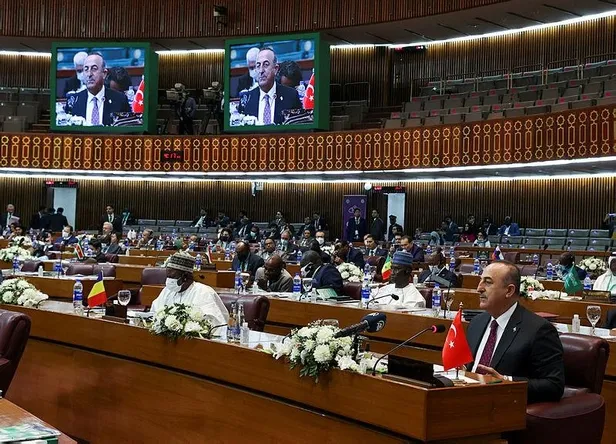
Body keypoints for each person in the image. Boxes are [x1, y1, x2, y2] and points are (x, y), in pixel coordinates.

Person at [466, 261, 565, 404]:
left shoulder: (538, 330)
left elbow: (554, 386)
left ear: (509, 291)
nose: (479, 288)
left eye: (488, 282)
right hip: (466, 399)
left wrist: (506, 381)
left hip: (503, 405)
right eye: (480, 281)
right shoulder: (477, 323)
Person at [150, 252, 229, 326]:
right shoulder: (168, 290)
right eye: (168, 276)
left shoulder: (203, 292)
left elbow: (213, 323)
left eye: (173, 277)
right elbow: (154, 313)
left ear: (186, 276)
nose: (169, 281)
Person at [65, 53, 130, 126]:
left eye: (94, 69)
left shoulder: (120, 100)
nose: (89, 74)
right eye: (86, 69)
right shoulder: (73, 100)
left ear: (104, 73)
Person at [242, 47, 302, 125]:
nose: (261, 70)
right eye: (258, 65)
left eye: (266, 65)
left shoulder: (291, 96)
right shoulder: (246, 99)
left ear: (275, 69)